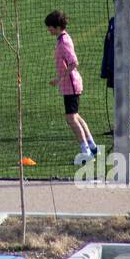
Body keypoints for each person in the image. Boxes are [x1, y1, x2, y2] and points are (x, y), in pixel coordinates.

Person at [46, 10, 95, 166]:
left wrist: (60, 78)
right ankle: (93, 147)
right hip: (69, 85)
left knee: (71, 118)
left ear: (57, 27)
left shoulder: (64, 41)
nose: (49, 30)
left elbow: (74, 63)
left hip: (71, 85)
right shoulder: (62, 38)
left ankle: (86, 152)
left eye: (50, 27)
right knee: (76, 116)